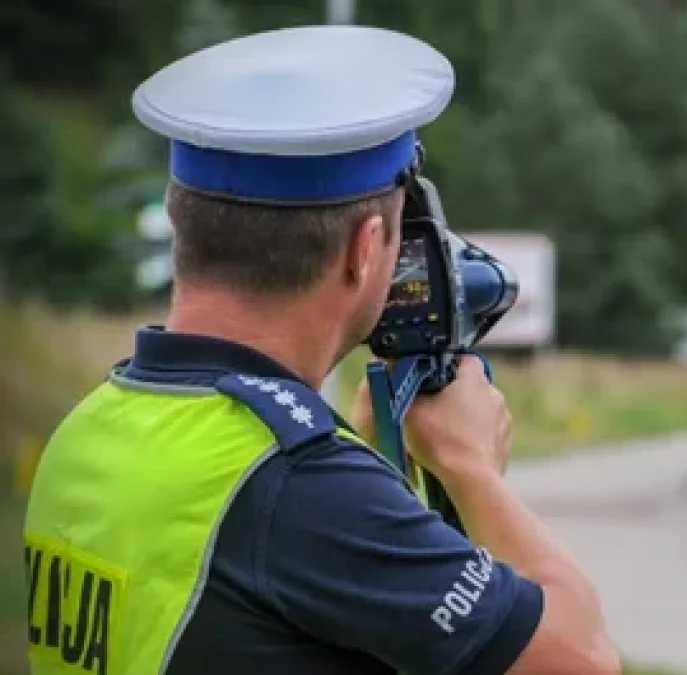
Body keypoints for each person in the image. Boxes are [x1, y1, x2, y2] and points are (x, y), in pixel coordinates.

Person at [22, 25, 619, 675]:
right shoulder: (297, 485)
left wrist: (366, 465)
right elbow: (580, 660)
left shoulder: (87, 429)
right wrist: (468, 467)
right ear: (366, 249)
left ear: (177, 219)